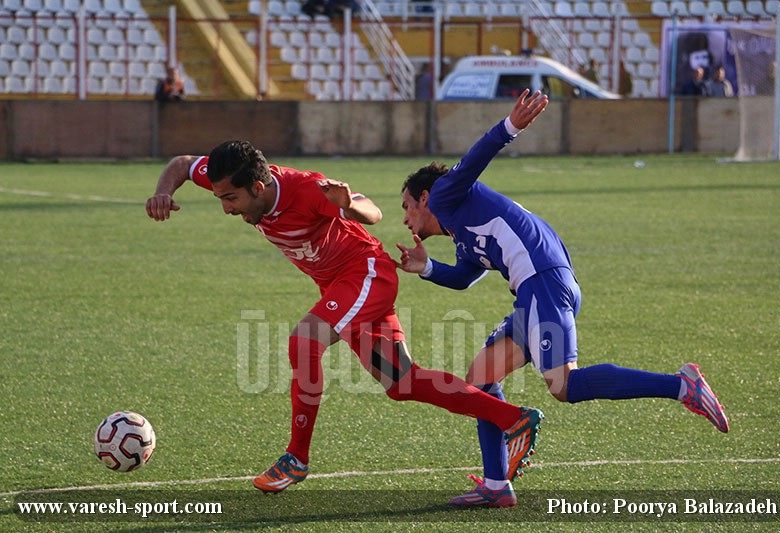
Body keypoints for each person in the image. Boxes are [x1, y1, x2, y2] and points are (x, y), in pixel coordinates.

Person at [145, 141, 543, 500]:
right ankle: (514, 418)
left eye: (229, 198)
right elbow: (181, 162)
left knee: (304, 341)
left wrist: (346, 204)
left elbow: (373, 212)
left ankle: (296, 458)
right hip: (342, 289)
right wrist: (164, 192)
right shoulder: (235, 180)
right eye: (219, 197)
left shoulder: (307, 189)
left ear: (258, 188)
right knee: (402, 383)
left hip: (366, 274)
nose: (225, 207)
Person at [395, 89, 729, 508]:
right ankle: (497, 486)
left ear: (425, 198)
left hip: (543, 284)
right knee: (481, 375)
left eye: (407, 206)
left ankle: (682, 386)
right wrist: (426, 268)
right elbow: (465, 277)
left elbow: (477, 158)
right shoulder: (462, 232)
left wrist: (510, 127)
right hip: (536, 291)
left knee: (563, 385)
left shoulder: (445, 194)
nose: (406, 217)